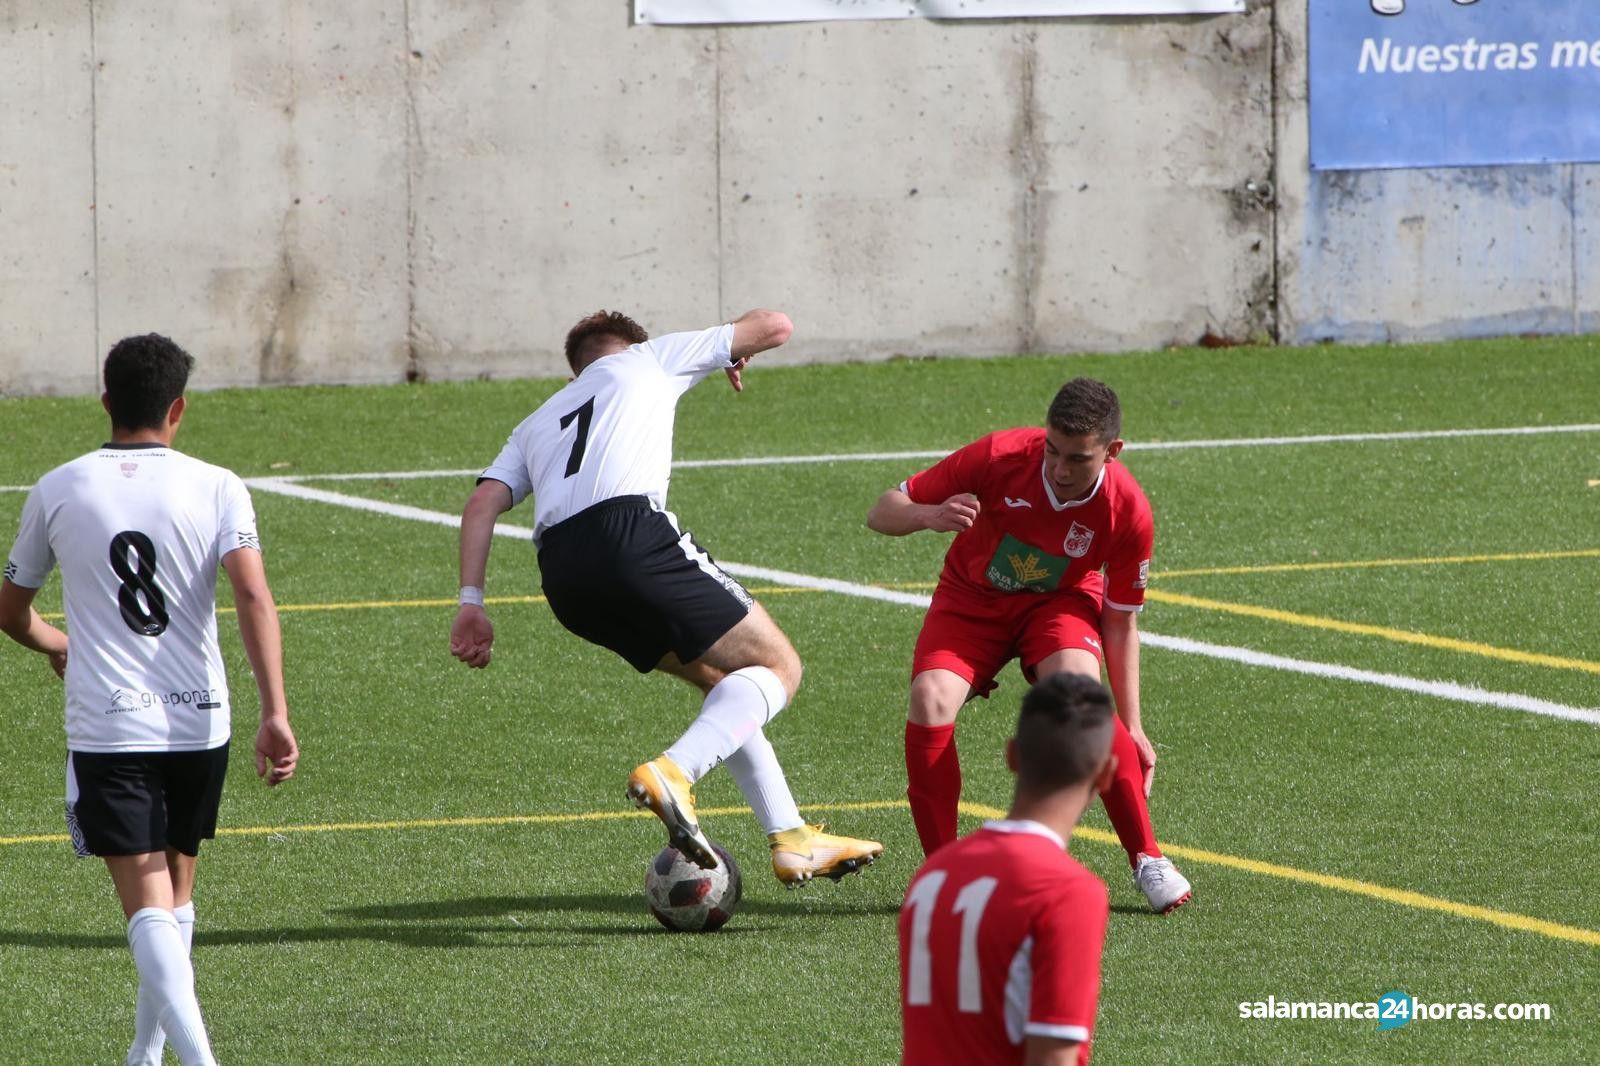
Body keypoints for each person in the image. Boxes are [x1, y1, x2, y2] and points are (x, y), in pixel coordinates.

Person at [450, 309, 882, 885]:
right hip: (630, 536)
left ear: (575, 368)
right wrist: (728, 348)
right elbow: (775, 325)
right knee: (777, 665)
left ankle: (792, 836)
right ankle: (674, 772)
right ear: (629, 346)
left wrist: (471, 602)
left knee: (723, 683)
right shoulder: (649, 357)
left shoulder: (535, 422)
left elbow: (481, 505)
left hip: (563, 577)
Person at [0, 334, 300, 1066]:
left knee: (145, 905)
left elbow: (11, 610)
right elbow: (253, 592)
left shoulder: (60, 486)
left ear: (104, 401)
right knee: (175, 896)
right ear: (179, 408)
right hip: (201, 720)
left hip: (110, 726)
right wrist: (275, 711)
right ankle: (144, 1052)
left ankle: (198, 1061)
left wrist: (57, 644)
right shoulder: (219, 484)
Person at [867, 377, 1191, 913]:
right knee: (930, 698)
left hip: (1058, 604)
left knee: (1082, 699)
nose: (1059, 469)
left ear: (1113, 452)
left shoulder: (1128, 511)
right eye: (1052, 450)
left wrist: (1131, 725)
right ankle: (943, 880)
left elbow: (1120, 623)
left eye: (1078, 459)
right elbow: (883, 509)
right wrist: (927, 516)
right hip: (972, 601)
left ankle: (1147, 857)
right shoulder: (999, 455)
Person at [899, 673, 1115, 1066]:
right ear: (1106, 775)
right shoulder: (1067, 892)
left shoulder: (933, 876)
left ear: (1012, 755)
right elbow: (1053, 1057)